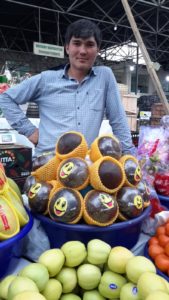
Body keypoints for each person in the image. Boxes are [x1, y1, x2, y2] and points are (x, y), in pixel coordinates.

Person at [0, 19, 135, 158]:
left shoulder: (104, 77)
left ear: (98, 50)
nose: (83, 51)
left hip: (84, 166)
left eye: (89, 45)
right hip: (48, 161)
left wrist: (129, 155)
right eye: (77, 43)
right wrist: (29, 131)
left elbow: (118, 119)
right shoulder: (46, 79)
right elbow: (5, 98)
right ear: (67, 48)